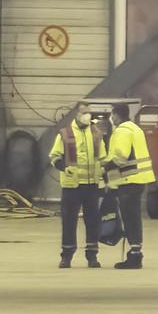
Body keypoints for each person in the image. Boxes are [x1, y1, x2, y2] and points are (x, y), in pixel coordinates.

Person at [47, 103, 107, 269]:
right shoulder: (65, 134)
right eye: (83, 112)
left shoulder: (96, 133)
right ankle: (66, 256)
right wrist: (64, 167)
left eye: (88, 112)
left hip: (91, 185)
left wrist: (104, 178)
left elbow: (103, 158)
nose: (87, 115)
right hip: (71, 186)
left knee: (93, 221)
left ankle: (92, 255)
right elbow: (54, 156)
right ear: (76, 114)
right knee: (69, 221)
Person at [103, 104, 154, 270]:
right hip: (139, 179)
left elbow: (121, 156)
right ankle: (136, 252)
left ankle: (135, 255)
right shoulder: (135, 129)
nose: (111, 118)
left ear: (116, 115)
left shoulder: (123, 130)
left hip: (129, 180)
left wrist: (106, 167)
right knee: (134, 217)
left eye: (112, 114)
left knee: (130, 219)